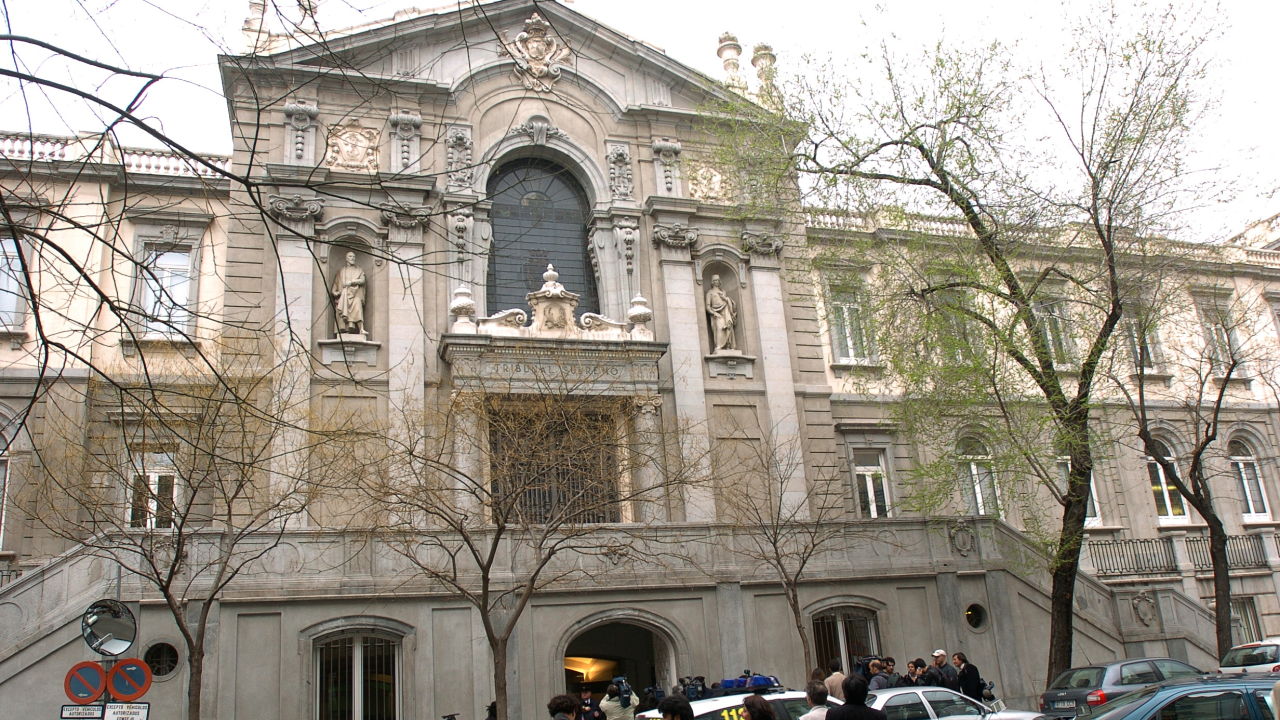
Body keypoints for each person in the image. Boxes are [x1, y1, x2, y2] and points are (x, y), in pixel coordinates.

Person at [331, 250, 367, 335]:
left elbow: (362, 280)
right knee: (343, 310)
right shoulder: (341, 271)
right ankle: (345, 330)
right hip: (344, 295)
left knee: (358, 307)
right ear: (346, 259)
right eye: (350, 256)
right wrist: (334, 292)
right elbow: (336, 283)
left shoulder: (359, 270)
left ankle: (361, 329)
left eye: (354, 256)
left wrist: (352, 282)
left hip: (355, 294)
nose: (352, 258)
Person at [704, 274, 737, 352]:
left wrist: (725, 299)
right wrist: (714, 313)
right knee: (720, 327)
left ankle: (728, 345)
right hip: (716, 313)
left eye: (718, 280)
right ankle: (719, 345)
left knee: (728, 326)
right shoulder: (710, 293)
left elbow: (727, 301)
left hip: (726, 310)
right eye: (715, 280)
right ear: (712, 282)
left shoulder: (723, 292)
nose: (717, 281)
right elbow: (708, 307)